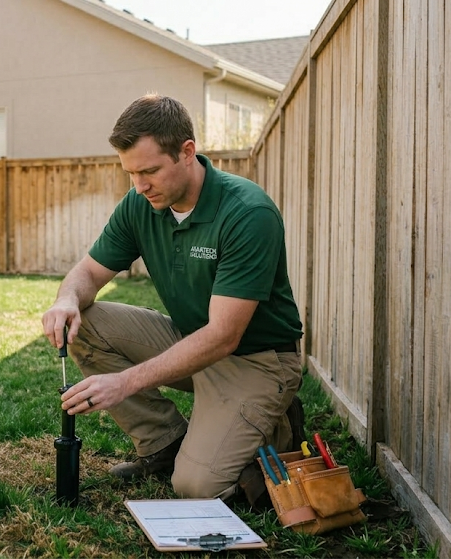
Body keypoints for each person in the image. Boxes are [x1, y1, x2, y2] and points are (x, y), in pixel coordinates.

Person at [41, 94, 305, 500]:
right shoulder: (141, 203)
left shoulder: (247, 213)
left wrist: (124, 383)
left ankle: (276, 425)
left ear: (187, 152)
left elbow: (223, 336)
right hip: (190, 341)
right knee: (86, 322)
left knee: (196, 487)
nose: (139, 185)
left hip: (257, 360)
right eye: (130, 173)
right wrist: (67, 300)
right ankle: (164, 444)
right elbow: (89, 273)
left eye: (149, 171)